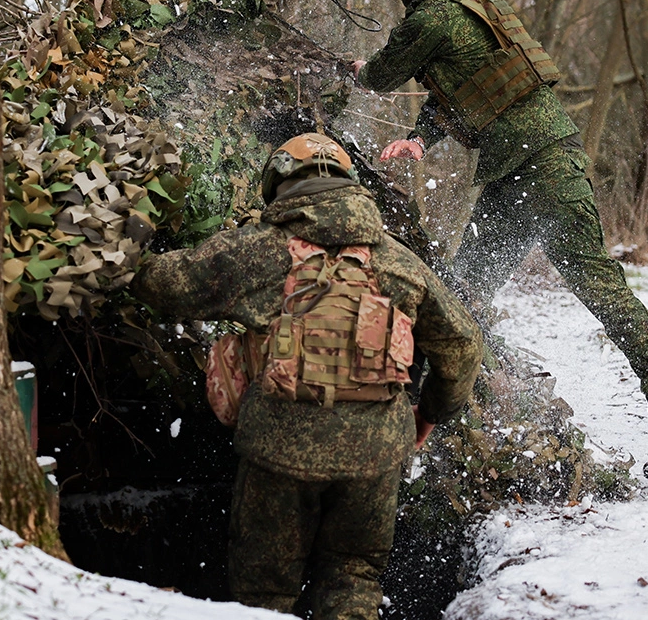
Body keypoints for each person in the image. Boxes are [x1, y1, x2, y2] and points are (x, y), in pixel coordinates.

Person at [352, 0, 648, 478]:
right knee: (464, 293)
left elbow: (377, 76)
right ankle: (469, 413)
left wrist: (346, 68)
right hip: (528, 167)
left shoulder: (430, 21)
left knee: (568, 292)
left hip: (537, 172)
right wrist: (421, 139)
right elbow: (466, 89)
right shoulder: (478, 5)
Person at [130, 132, 483, 619]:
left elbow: (163, 283)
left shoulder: (259, 250)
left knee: (264, 590)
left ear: (279, 183)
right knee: (353, 577)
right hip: (374, 454)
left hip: (279, 449)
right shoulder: (398, 260)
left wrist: (128, 235)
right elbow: (463, 344)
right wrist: (430, 413)